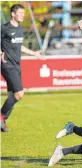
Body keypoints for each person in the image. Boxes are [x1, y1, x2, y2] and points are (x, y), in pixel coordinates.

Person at [1, 4, 45, 132]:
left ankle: (2, 122)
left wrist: (34, 53)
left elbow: (19, 46)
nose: (23, 15)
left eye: (23, 13)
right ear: (13, 14)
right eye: (20, 12)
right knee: (20, 94)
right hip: (6, 64)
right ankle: (1, 115)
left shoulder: (20, 29)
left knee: (11, 95)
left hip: (16, 65)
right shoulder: (4, 28)